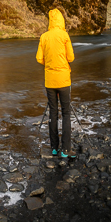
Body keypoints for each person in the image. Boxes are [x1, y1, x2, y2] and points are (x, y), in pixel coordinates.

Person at [36, 8, 75, 159]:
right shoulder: (64, 35)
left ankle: (53, 148)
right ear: (61, 21)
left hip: (50, 81)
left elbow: (39, 58)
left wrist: (49, 63)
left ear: (50, 21)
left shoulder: (44, 37)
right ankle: (66, 150)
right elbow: (70, 57)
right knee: (66, 113)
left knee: (53, 113)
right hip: (64, 80)